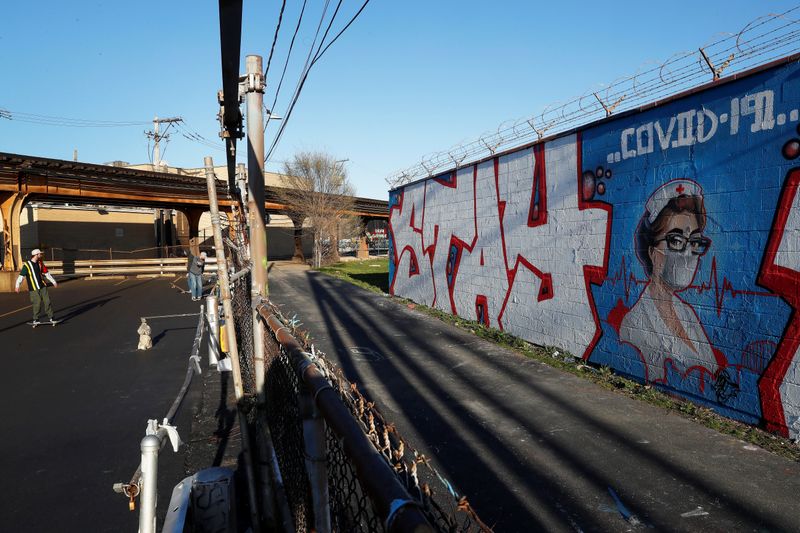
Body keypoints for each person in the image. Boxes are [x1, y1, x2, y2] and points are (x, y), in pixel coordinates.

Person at [618, 179, 729, 389]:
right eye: (676, 241)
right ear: (652, 252)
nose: (688, 254)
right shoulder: (634, 325)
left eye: (695, 242)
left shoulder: (686, 312)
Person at [15, 248, 59, 325]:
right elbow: (21, 276)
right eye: (40, 254)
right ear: (36, 255)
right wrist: (17, 285)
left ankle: (51, 317)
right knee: (37, 303)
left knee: (47, 301)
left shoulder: (40, 263)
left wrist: (53, 281)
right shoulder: (27, 265)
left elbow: (46, 273)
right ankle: (36, 319)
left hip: (43, 286)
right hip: (33, 288)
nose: (41, 255)